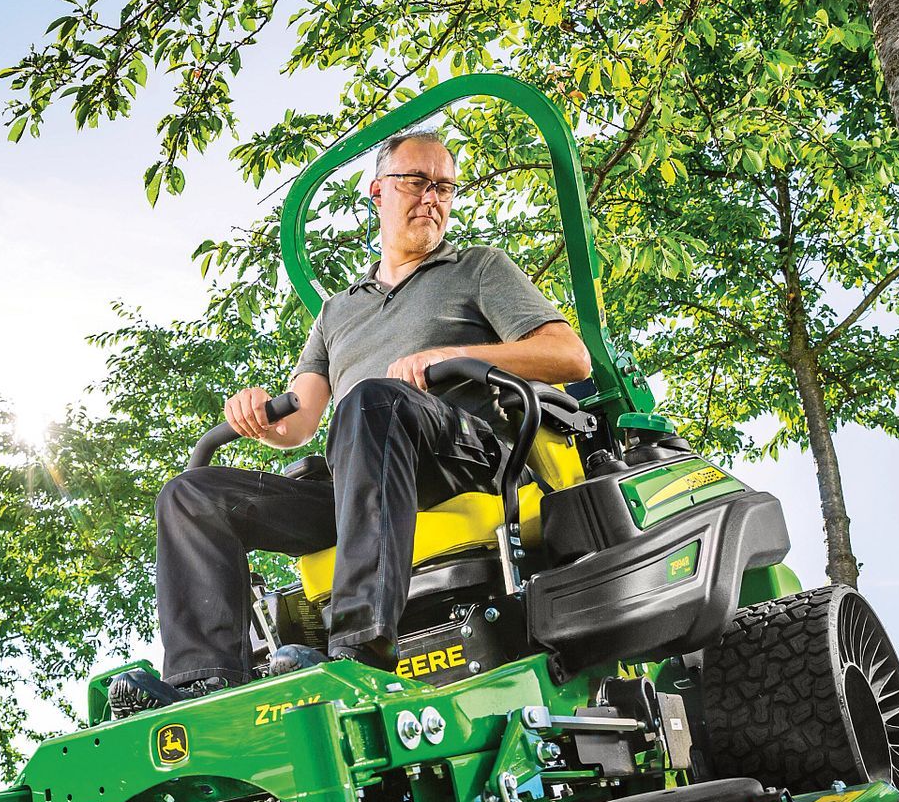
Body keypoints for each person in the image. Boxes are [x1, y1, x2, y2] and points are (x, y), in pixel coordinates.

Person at [110, 129, 592, 716]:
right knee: (192, 495)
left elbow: (569, 356)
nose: (431, 198)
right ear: (377, 193)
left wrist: (450, 359)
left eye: (444, 187)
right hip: (361, 475)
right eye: (416, 182)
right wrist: (256, 413)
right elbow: (301, 419)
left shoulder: (478, 270)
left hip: (459, 456)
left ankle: (358, 649)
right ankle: (203, 682)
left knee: (370, 402)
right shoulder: (340, 312)